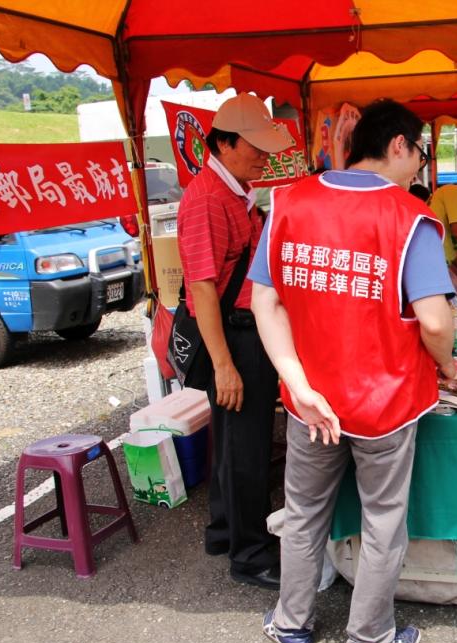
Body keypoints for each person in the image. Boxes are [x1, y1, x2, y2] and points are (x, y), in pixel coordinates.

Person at [251, 99, 456, 643]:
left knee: (303, 511)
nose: (419, 165)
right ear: (398, 146)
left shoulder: (290, 201)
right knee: (383, 519)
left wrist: (297, 383)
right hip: (386, 404)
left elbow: (266, 300)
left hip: (308, 399)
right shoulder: (407, 217)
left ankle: (291, 623)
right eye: (420, 152)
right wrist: (448, 366)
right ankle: (369, 640)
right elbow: (437, 322)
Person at [176, 93, 289, 590]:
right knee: (247, 449)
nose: (263, 157)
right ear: (223, 143)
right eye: (255, 147)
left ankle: (224, 531)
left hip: (241, 333)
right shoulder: (206, 198)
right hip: (235, 340)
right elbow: (201, 287)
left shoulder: (235, 190)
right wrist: (224, 365)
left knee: (233, 443)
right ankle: (251, 554)